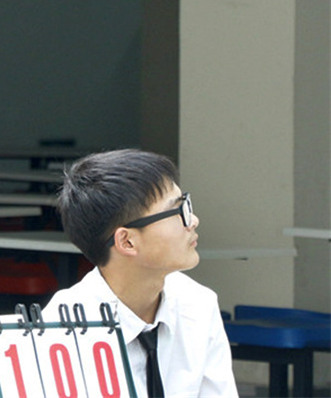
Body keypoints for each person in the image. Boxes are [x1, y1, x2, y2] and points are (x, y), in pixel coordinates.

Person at [43, 149, 237, 397]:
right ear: (127, 241)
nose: (193, 220)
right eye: (177, 211)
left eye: (186, 204)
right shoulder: (63, 328)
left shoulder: (197, 304)